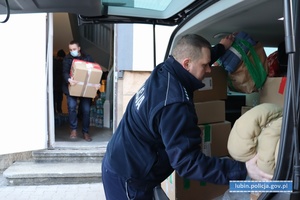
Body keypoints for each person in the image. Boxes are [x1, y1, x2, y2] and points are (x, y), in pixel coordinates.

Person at [101, 34, 273, 200]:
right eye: (205, 65)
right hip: (128, 179)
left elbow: (199, 56)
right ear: (187, 64)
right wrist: (242, 170)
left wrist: (221, 48)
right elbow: (187, 162)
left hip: (123, 159)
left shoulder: (166, 69)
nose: (209, 70)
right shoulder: (175, 105)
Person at [62, 40, 99, 142]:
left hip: (85, 88)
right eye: (70, 49)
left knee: (86, 110)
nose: (72, 51)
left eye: (74, 49)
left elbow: (95, 71)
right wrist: (69, 79)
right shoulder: (67, 58)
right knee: (72, 107)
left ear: (79, 48)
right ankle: (73, 129)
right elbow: (64, 72)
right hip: (71, 86)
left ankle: (85, 132)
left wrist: (96, 83)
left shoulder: (88, 58)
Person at [53, 49, 66, 114]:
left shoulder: (54, 63)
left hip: (55, 86)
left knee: (54, 102)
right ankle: (59, 114)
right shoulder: (62, 64)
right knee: (58, 102)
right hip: (59, 86)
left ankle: (55, 114)